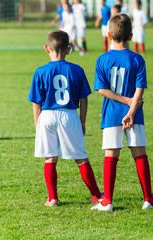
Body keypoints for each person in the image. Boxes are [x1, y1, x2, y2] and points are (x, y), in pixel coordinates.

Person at [91, 14, 153, 212]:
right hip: (135, 114)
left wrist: (126, 103)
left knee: (111, 154)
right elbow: (140, 89)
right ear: (130, 35)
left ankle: (108, 201)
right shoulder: (137, 59)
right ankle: (148, 199)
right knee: (139, 153)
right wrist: (131, 107)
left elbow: (102, 90)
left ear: (109, 35)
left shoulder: (102, 59)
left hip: (111, 114)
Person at [27, 30, 102, 207]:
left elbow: (36, 103)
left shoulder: (40, 71)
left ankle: (52, 198)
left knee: (50, 157)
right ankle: (96, 195)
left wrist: (38, 124)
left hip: (47, 116)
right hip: (69, 115)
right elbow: (84, 99)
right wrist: (82, 121)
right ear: (68, 49)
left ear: (47, 48)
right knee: (81, 158)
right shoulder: (77, 70)